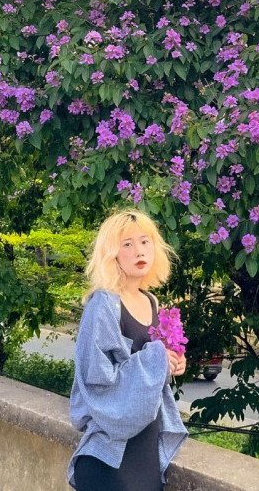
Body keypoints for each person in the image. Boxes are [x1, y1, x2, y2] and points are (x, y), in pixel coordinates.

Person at [67, 209, 189, 490]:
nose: (138, 251)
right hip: (111, 453)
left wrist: (171, 364)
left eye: (145, 242)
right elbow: (94, 379)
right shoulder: (103, 304)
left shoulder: (151, 301)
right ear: (112, 254)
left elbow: (147, 377)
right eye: (127, 244)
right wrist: (156, 358)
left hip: (146, 443)